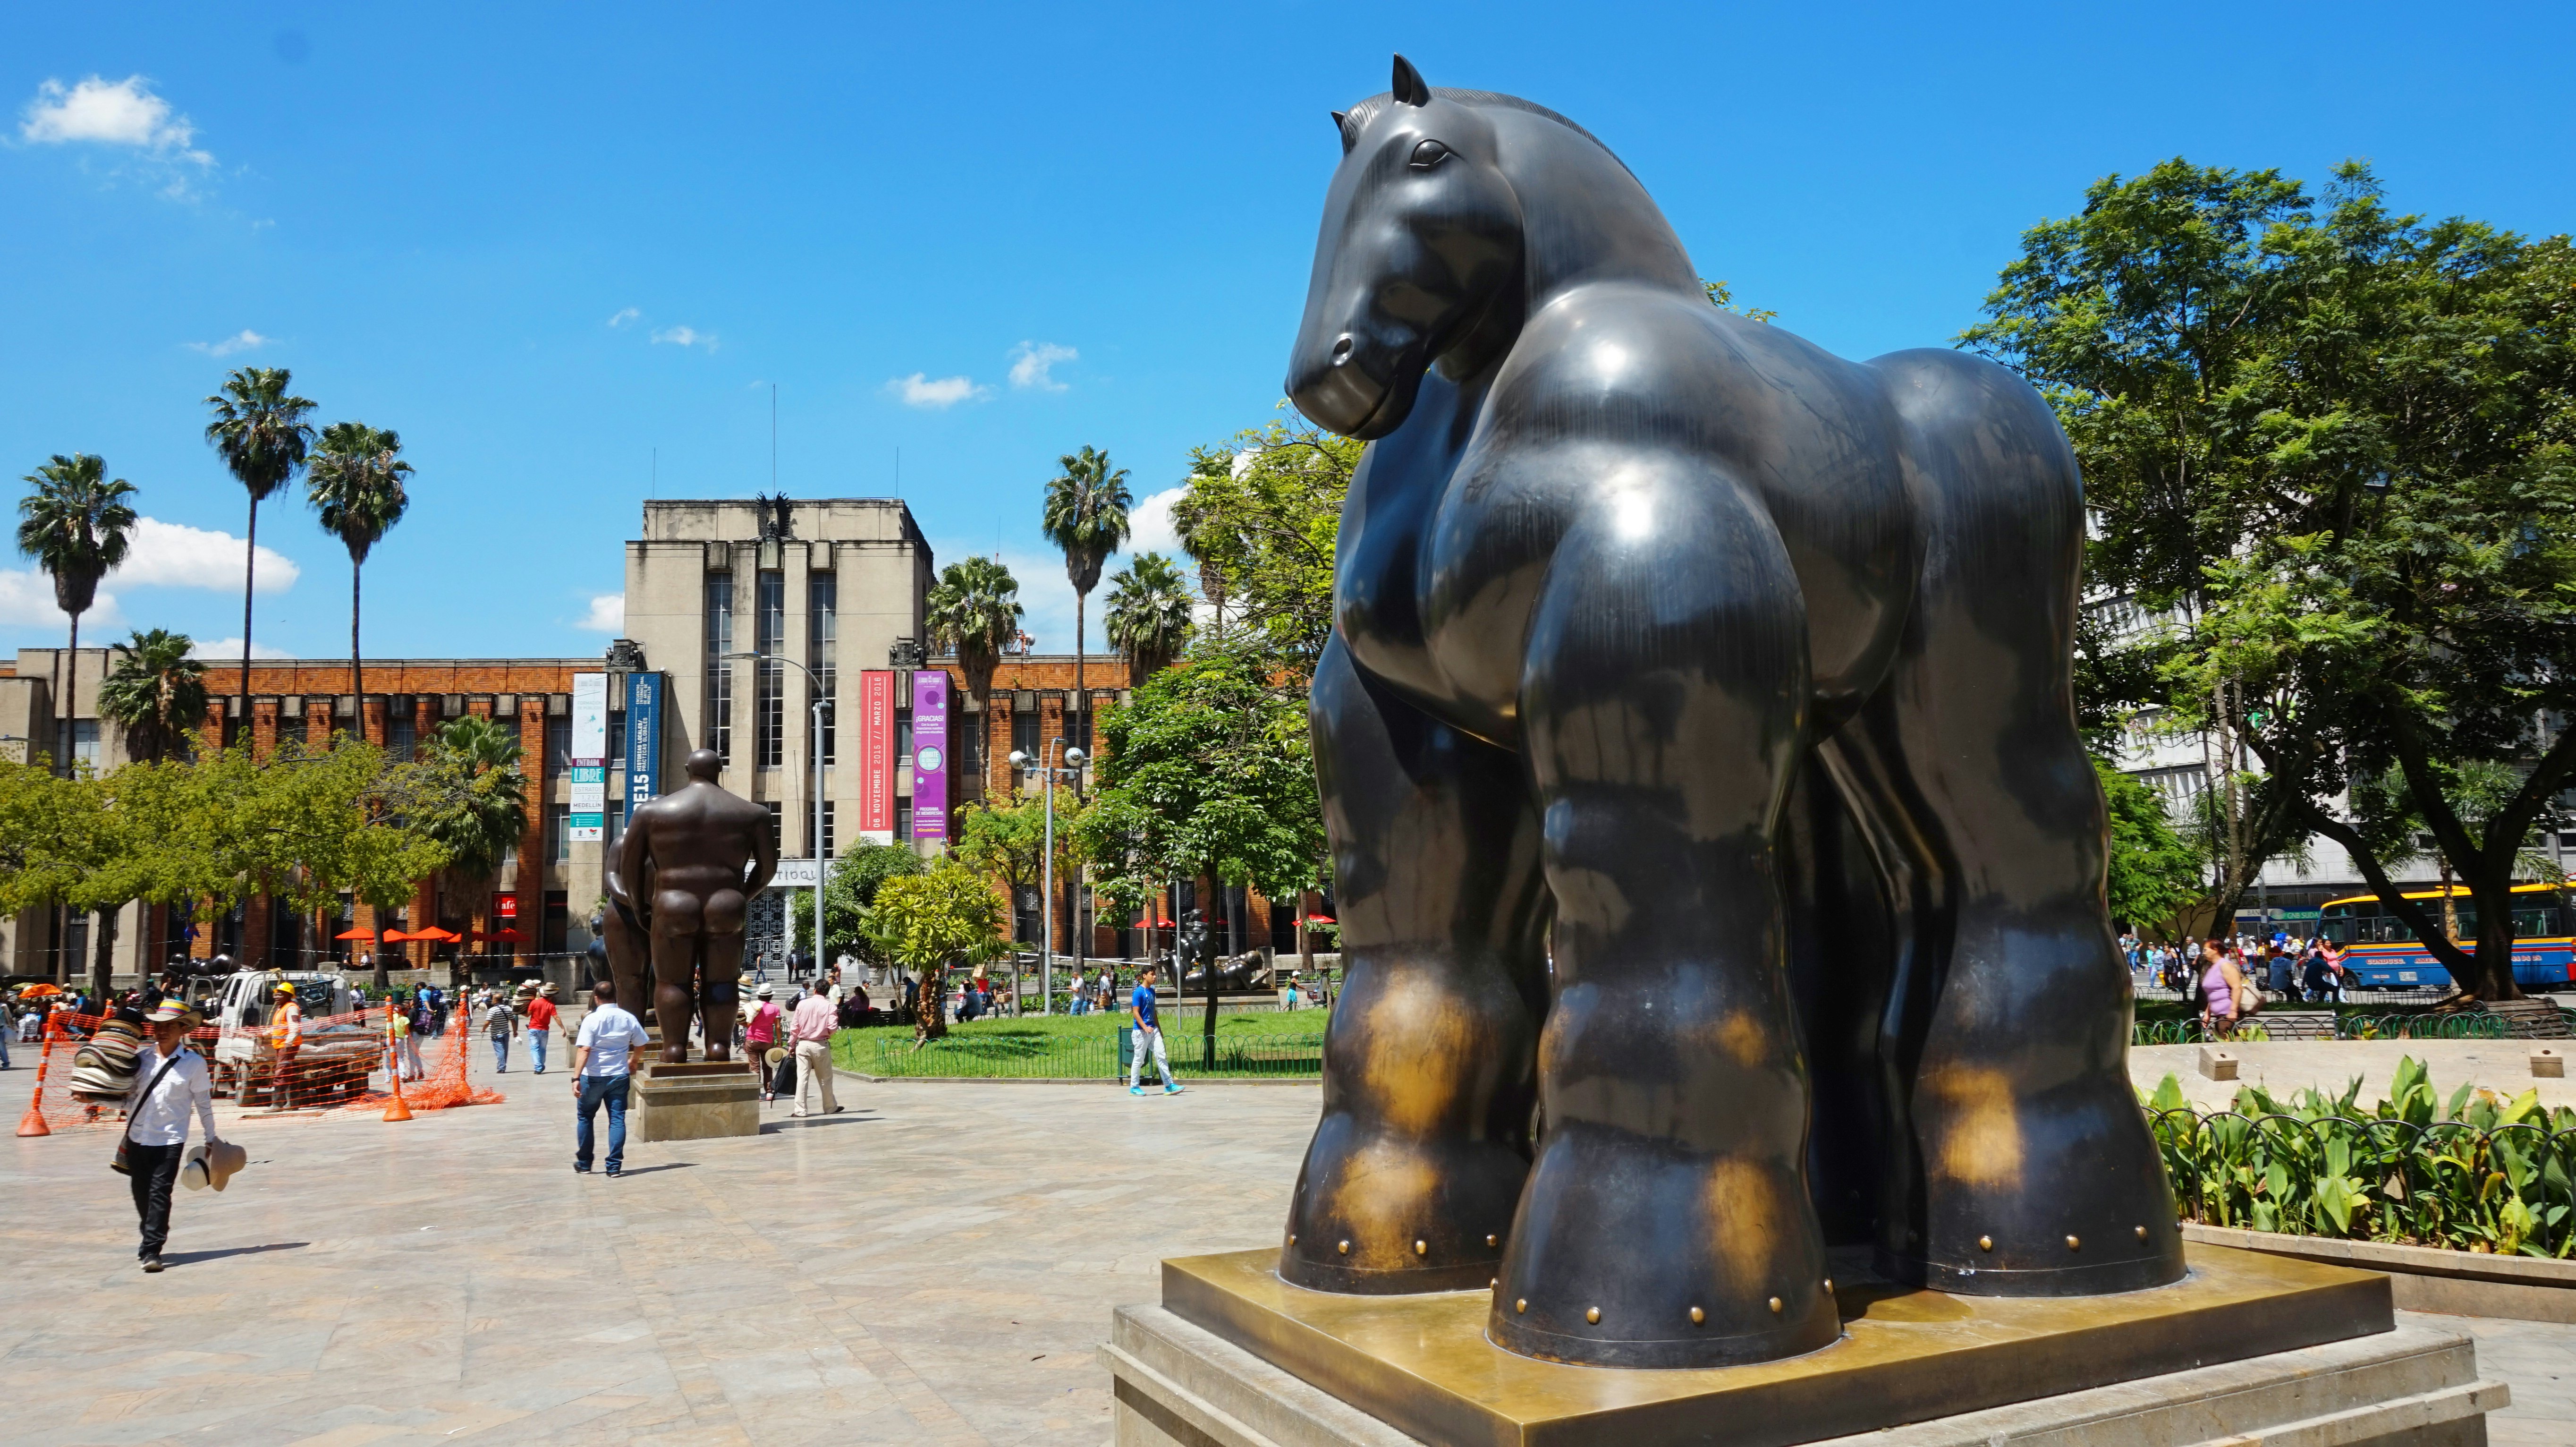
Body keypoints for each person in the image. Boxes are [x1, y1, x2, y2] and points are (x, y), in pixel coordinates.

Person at [122, 1002, 222, 1272]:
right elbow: (127, 1100)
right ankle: (154, 1230)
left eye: (169, 1026)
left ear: (183, 1029)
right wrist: (93, 1097)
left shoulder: (194, 1064)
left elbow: (203, 1102)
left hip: (170, 1140)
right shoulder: (141, 1060)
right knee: (140, 1193)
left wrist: (210, 1137)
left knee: (159, 1193)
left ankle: (152, 1249)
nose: (162, 1031)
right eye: (158, 1025)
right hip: (137, 1137)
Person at [572, 975, 650, 1176]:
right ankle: (614, 1166)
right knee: (617, 1119)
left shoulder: (591, 1019)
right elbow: (642, 1042)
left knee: (586, 1117)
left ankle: (585, 1163)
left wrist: (576, 1077)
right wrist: (634, 1060)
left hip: (594, 1076)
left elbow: (585, 1049)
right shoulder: (627, 1017)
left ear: (596, 998)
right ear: (615, 997)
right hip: (619, 1075)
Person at [786, 983, 843, 1118]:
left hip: (803, 1044)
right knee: (825, 1078)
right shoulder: (830, 1006)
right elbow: (833, 1027)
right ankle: (830, 1107)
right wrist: (827, 1033)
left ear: (815, 990)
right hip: (820, 1044)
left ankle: (800, 1110)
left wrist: (791, 1044)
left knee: (802, 1078)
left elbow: (795, 1027)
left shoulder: (802, 1004)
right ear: (827, 992)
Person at [1128, 964, 1181, 1097]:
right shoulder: (1138, 993)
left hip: (1154, 1030)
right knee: (1139, 1060)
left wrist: (1160, 1029)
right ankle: (1134, 1087)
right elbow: (1135, 1012)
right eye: (1152, 974)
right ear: (1144, 976)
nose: (1155, 977)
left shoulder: (1152, 992)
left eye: (1155, 974)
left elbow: (1153, 1012)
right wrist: (1144, 1027)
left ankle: (1169, 1085)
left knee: (1161, 1055)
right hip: (1141, 1032)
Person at [267, 981, 304, 1110]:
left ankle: (277, 1104)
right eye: (276, 995)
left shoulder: (291, 1007)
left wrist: (289, 1043)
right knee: (288, 1073)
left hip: (287, 1046)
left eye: (280, 995)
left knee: (280, 1073)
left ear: (289, 996)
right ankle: (293, 1103)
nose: (276, 997)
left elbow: (294, 1026)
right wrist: (265, 1032)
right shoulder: (281, 1008)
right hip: (282, 1045)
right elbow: (279, 1027)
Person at [744, 985, 782, 1099]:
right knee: (768, 1067)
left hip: (752, 1039)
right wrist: (779, 1042)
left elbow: (746, 1022)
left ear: (759, 995)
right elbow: (778, 1027)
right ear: (771, 996)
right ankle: (769, 1092)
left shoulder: (752, 1006)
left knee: (755, 1067)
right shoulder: (775, 1008)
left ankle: (757, 1093)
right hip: (768, 1041)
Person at [525, 984, 559, 1074]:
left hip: (533, 1028)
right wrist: (563, 1028)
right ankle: (540, 1065)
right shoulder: (551, 1005)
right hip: (544, 1030)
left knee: (534, 1048)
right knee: (543, 1049)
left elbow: (527, 1014)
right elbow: (556, 1017)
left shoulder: (534, 1003)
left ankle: (538, 1067)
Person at [486, 996, 515, 1072]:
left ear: (496, 1000)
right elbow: (513, 1021)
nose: (492, 1000)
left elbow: (488, 1022)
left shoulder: (492, 1010)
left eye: (493, 999)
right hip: (506, 1033)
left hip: (496, 1034)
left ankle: (502, 1067)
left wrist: (483, 1029)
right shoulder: (508, 1009)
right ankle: (502, 1065)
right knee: (505, 1051)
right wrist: (515, 1031)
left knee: (500, 1051)